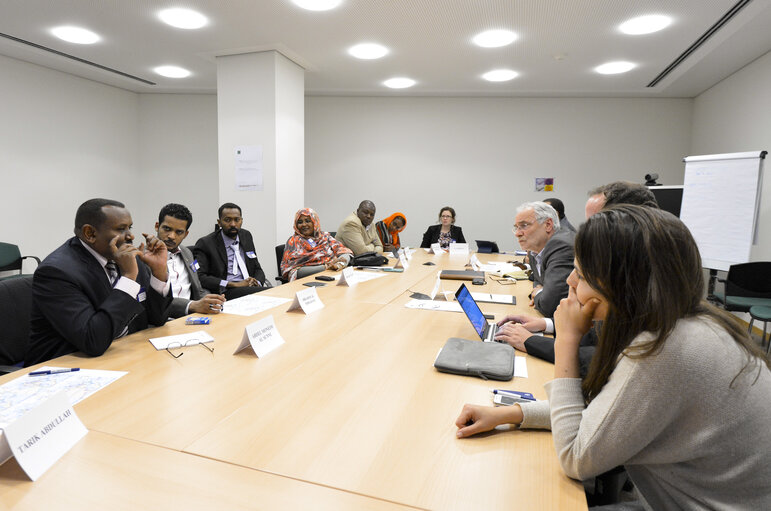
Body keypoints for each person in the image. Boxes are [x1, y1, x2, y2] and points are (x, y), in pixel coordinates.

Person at [456, 205, 771, 509]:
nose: (570, 281)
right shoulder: (687, 324)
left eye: (581, 273)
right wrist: (513, 414)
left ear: (623, 281)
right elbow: (602, 412)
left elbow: (575, 457)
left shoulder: (664, 351)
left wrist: (567, 339)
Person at [497, 182, 660, 370]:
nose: (571, 280)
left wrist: (533, 342)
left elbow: (609, 359)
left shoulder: (647, 279)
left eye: (598, 221)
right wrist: (546, 324)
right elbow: (599, 334)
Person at [26, 199, 172, 365]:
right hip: (66, 368)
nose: (131, 236)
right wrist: (128, 277)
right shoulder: (56, 272)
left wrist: (159, 272)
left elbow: (157, 318)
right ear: (90, 234)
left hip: (121, 355)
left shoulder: (125, 257)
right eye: (121, 229)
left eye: (129, 227)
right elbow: (93, 340)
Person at [155, 203, 226, 318]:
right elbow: (153, 302)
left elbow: (198, 289)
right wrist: (192, 305)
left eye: (179, 232)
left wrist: (211, 299)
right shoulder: (144, 257)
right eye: (167, 229)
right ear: (157, 226)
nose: (172, 236)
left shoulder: (187, 253)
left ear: (186, 234)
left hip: (192, 317)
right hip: (162, 321)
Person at [193, 202, 268, 300]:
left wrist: (257, 282)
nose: (233, 224)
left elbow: (257, 268)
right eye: (227, 220)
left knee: (274, 293)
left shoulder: (246, 236)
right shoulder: (206, 243)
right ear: (219, 222)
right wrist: (232, 284)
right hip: (226, 292)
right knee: (271, 294)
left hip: (250, 288)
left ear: (241, 221)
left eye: (237, 220)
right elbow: (200, 277)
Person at [514, 201, 574, 317]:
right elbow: (538, 280)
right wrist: (542, 291)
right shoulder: (535, 250)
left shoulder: (561, 246)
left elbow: (550, 305)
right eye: (516, 227)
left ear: (548, 225)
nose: (518, 233)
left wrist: (538, 293)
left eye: (524, 225)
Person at [280, 208, 353, 281]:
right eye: (300, 222)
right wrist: (325, 267)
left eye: (308, 221)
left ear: (315, 222)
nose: (304, 224)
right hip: (307, 282)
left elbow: (345, 252)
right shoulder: (293, 242)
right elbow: (292, 272)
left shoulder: (325, 237)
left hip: (331, 276)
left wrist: (340, 263)